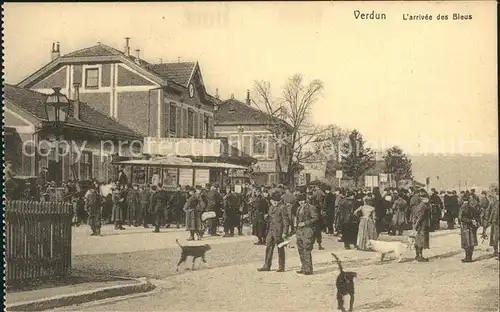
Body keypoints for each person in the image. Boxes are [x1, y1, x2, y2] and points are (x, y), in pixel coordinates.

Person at [257, 192, 289, 272]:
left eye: (277, 201)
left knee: (280, 248)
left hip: (279, 231)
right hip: (270, 231)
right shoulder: (270, 207)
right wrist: (266, 217)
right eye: (273, 200)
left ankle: (281, 266)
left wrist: (285, 232)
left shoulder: (282, 207)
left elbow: (286, 221)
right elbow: (270, 218)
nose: (275, 202)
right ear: (270, 200)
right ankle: (266, 265)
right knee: (268, 247)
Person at [295, 193, 318, 275]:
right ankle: (303, 267)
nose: (301, 202)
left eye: (302, 201)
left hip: (308, 231)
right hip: (299, 232)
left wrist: (305, 223)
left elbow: (315, 218)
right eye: (299, 201)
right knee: (300, 250)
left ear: (306, 200)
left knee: (306, 249)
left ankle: (308, 269)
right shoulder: (298, 209)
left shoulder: (311, 207)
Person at [458, 195, 480, 263]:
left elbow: (461, 217)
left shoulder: (462, 207)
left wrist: (469, 221)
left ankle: (468, 258)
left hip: (465, 227)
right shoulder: (472, 207)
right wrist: (474, 221)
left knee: (467, 242)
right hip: (472, 226)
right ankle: (469, 257)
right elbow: (477, 215)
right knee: (471, 242)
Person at [412, 192, 431, 262]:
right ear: (424, 198)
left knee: (418, 241)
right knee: (421, 241)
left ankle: (417, 255)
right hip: (422, 226)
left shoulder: (420, 205)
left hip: (420, 226)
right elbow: (420, 217)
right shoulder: (424, 206)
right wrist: (416, 226)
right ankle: (420, 256)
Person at [486, 188, 499, 258]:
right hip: (495, 222)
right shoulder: (495, 202)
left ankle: (496, 251)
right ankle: (496, 251)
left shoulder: (497, 202)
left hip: (496, 223)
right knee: (495, 237)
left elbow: (495, 212)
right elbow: (492, 212)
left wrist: (492, 220)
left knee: (496, 237)